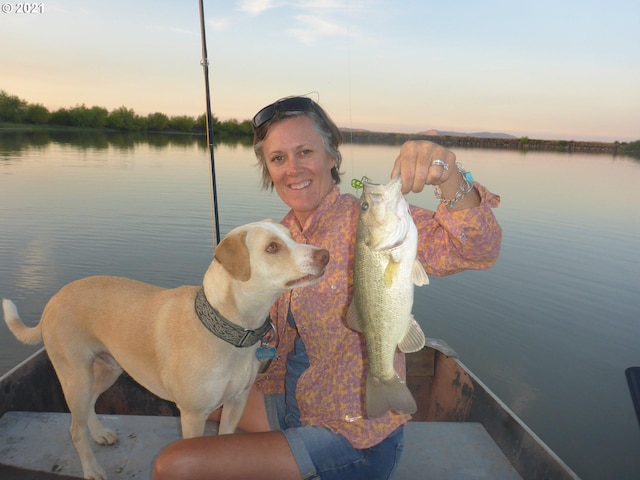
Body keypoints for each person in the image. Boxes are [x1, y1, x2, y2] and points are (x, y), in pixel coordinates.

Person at [152, 96, 502, 480]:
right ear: (268, 170)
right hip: (293, 402)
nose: (293, 169)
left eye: (305, 152)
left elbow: (476, 249)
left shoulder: (371, 222)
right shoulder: (278, 237)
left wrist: (450, 175)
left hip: (351, 434)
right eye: (278, 158)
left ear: (332, 157)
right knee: (196, 400)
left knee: (175, 465)